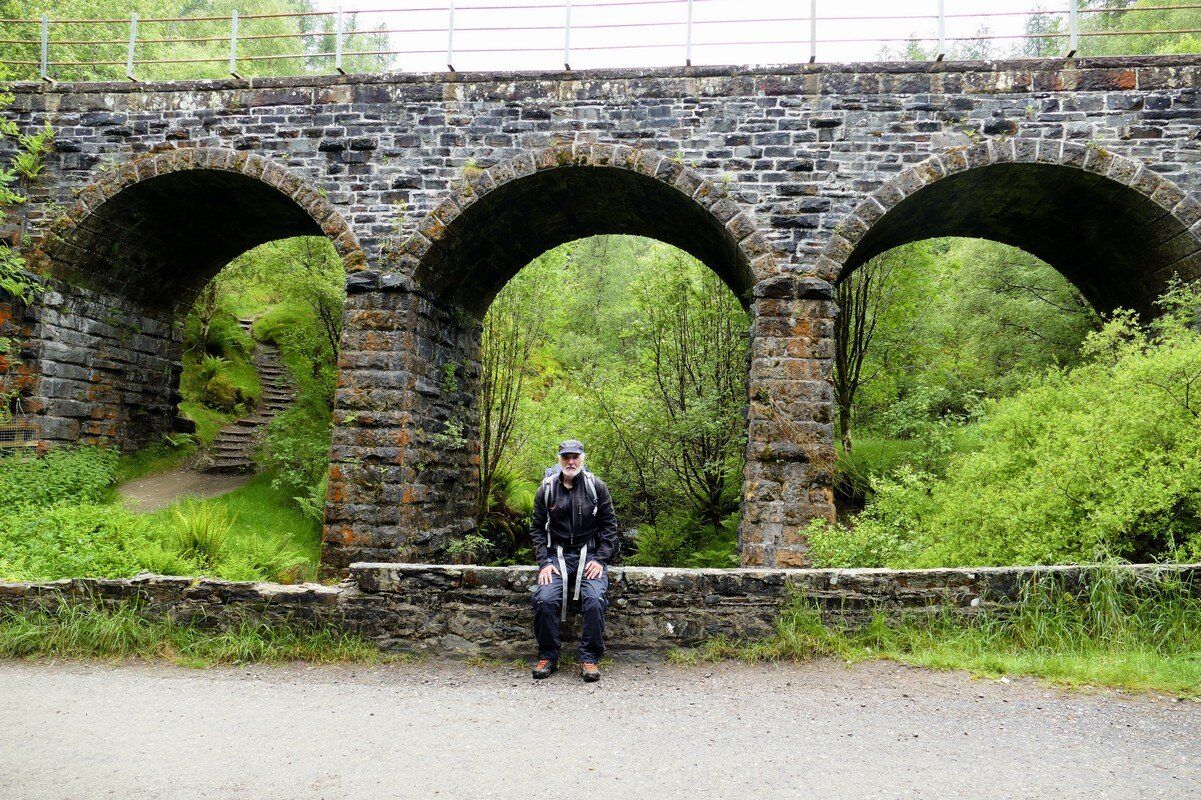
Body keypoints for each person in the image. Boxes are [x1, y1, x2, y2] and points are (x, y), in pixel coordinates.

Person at [529, 439, 619, 682]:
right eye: (566, 457)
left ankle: (589, 658)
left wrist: (600, 559)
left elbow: (610, 526)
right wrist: (543, 563)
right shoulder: (546, 488)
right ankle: (548, 655)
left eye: (575, 457)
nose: (570, 461)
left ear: (582, 458)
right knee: (545, 599)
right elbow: (537, 528)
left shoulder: (596, 487)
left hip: (588, 554)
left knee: (594, 599)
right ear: (559, 459)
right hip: (555, 556)